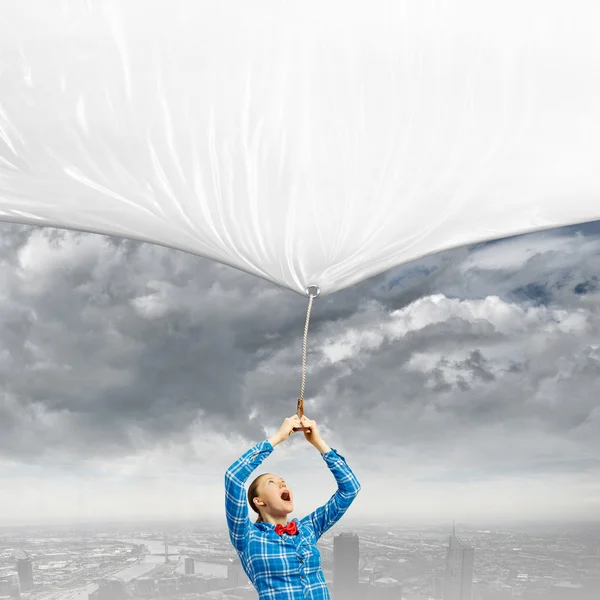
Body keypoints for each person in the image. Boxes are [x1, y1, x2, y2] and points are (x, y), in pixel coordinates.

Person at [224, 413, 361, 599]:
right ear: (258, 501)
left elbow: (350, 489)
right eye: (272, 483)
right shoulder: (247, 537)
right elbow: (233, 477)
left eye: (284, 482)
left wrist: (318, 442)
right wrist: (278, 437)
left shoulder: (308, 529)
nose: (283, 484)